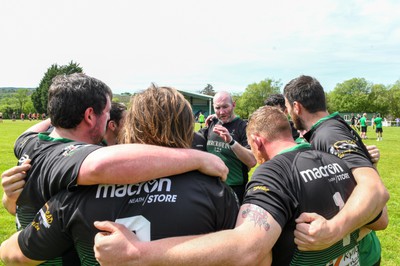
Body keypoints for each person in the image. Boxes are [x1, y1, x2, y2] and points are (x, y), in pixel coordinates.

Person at [90, 106, 388, 266]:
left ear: (257, 141)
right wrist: (340, 231)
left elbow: (249, 250)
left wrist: (136, 254)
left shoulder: (272, 174)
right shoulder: (331, 156)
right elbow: (381, 219)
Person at [0, 73, 228, 264]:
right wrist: (197, 158)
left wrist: (11, 201)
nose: (110, 118)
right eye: (107, 112)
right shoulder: (216, 191)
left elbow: (12, 253)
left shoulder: (71, 190)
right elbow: (99, 164)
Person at [283, 75, 389, 266]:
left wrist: (332, 230)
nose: (290, 114)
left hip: (362, 254)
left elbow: (375, 191)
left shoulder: (328, 134)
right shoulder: (330, 128)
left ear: (297, 107)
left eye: (288, 108)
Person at [200, 91, 256, 204]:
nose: (222, 112)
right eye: (218, 108)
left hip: (235, 187)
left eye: (225, 107)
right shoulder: (213, 122)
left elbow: (252, 161)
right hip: (211, 185)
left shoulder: (244, 127)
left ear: (234, 105)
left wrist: (231, 141)